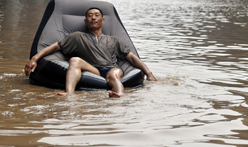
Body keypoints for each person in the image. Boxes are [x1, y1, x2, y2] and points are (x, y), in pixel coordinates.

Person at [24, 7, 157, 97]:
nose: (93, 18)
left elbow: (132, 58)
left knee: (113, 75)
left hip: (112, 68)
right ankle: (69, 94)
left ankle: (119, 95)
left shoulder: (114, 40)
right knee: (74, 60)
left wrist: (149, 73)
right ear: (85, 21)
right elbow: (54, 47)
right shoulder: (77, 37)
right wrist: (34, 59)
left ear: (102, 20)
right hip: (94, 70)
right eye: (90, 16)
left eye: (97, 15)